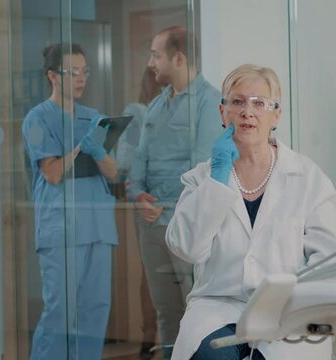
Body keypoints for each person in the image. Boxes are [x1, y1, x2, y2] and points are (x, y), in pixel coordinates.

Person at [165, 64, 336, 360]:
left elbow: (329, 260)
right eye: (237, 102)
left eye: (259, 103)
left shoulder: (309, 178)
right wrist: (217, 181)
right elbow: (187, 248)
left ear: (276, 114)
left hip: (288, 310)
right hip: (219, 306)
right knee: (211, 356)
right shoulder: (201, 178)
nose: (248, 112)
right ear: (223, 112)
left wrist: (296, 301)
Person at [126, 26, 223, 359]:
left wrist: (162, 202)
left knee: (196, 311)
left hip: (183, 223)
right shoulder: (155, 106)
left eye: (156, 54)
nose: (150, 62)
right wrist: (137, 195)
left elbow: (201, 166)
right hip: (150, 225)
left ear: (178, 58)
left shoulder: (210, 103)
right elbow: (139, 159)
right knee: (166, 311)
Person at [22, 43, 118, 360]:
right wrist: (81, 148)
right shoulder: (37, 120)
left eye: (84, 71)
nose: (80, 79)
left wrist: (99, 150)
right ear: (52, 76)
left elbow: (114, 173)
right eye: (72, 72)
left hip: (98, 226)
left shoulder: (95, 118)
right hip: (62, 228)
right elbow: (51, 172)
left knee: (95, 311)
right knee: (60, 312)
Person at [116, 67, 163, 360]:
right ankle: (148, 335)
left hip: (173, 202)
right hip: (147, 202)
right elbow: (126, 162)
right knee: (151, 273)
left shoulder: (181, 112)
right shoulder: (138, 112)